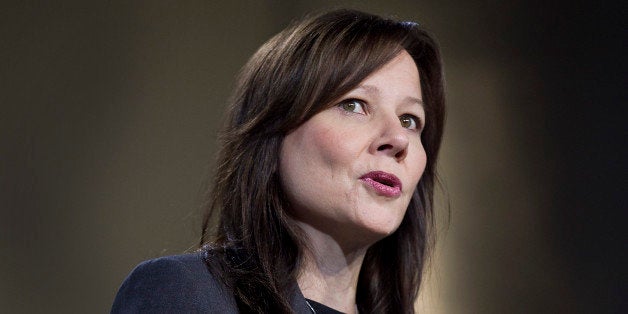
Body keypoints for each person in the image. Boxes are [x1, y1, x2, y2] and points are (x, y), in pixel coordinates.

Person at [111, 8, 445, 314]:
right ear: (272, 132)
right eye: (354, 105)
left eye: (409, 120)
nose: (398, 139)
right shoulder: (186, 293)